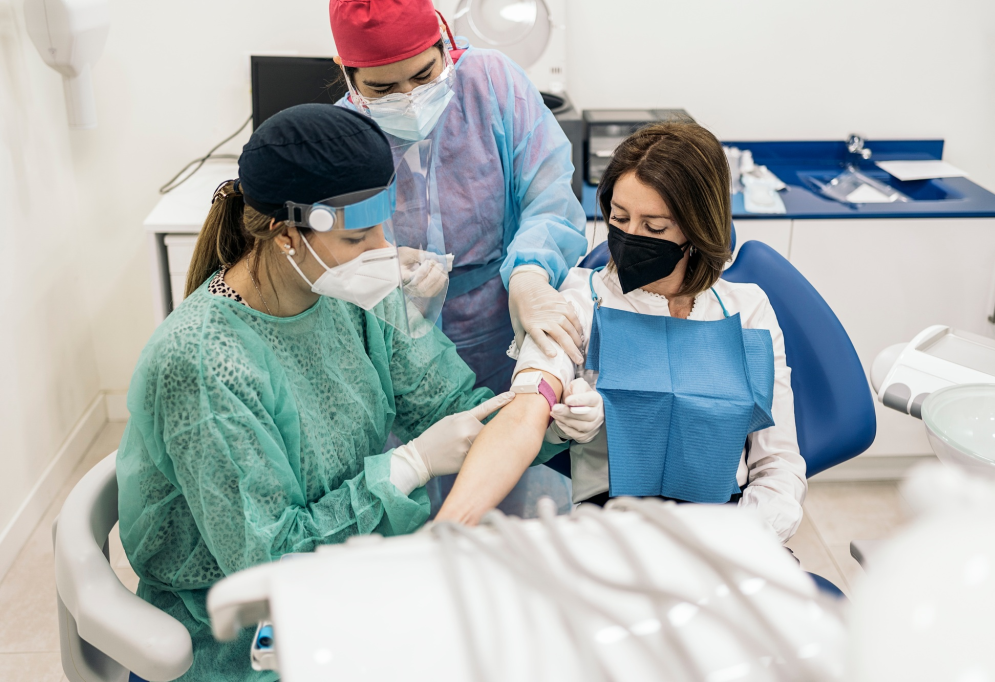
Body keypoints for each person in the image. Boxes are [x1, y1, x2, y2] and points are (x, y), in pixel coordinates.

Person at [116, 104, 518, 681]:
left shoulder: (352, 295)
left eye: (384, 227)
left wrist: (549, 409)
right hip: (239, 638)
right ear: (285, 238)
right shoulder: (205, 363)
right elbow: (265, 562)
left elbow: (449, 403)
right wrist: (407, 465)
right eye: (358, 236)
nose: (382, 251)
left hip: (351, 582)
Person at [436, 122, 807, 544]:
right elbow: (524, 411)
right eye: (619, 217)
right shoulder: (578, 300)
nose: (631, 237)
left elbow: (777, 463)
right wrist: (559, 426)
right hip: (613, 530)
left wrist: (743, 537)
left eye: (654, 228)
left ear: (697, 229)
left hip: (727, 528)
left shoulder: (748, 309)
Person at [329, 0, 588, 515]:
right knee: (406, 496)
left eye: (424, 75)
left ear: (445, 41)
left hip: (499, 324)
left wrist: (531, 276)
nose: (408, 98)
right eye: (382, 88)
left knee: (510, 488)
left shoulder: (493, 83)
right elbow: (332, 252)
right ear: (349, 76)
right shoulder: (340, 135)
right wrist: (383, 270)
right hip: (396, 342)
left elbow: (550, 192)